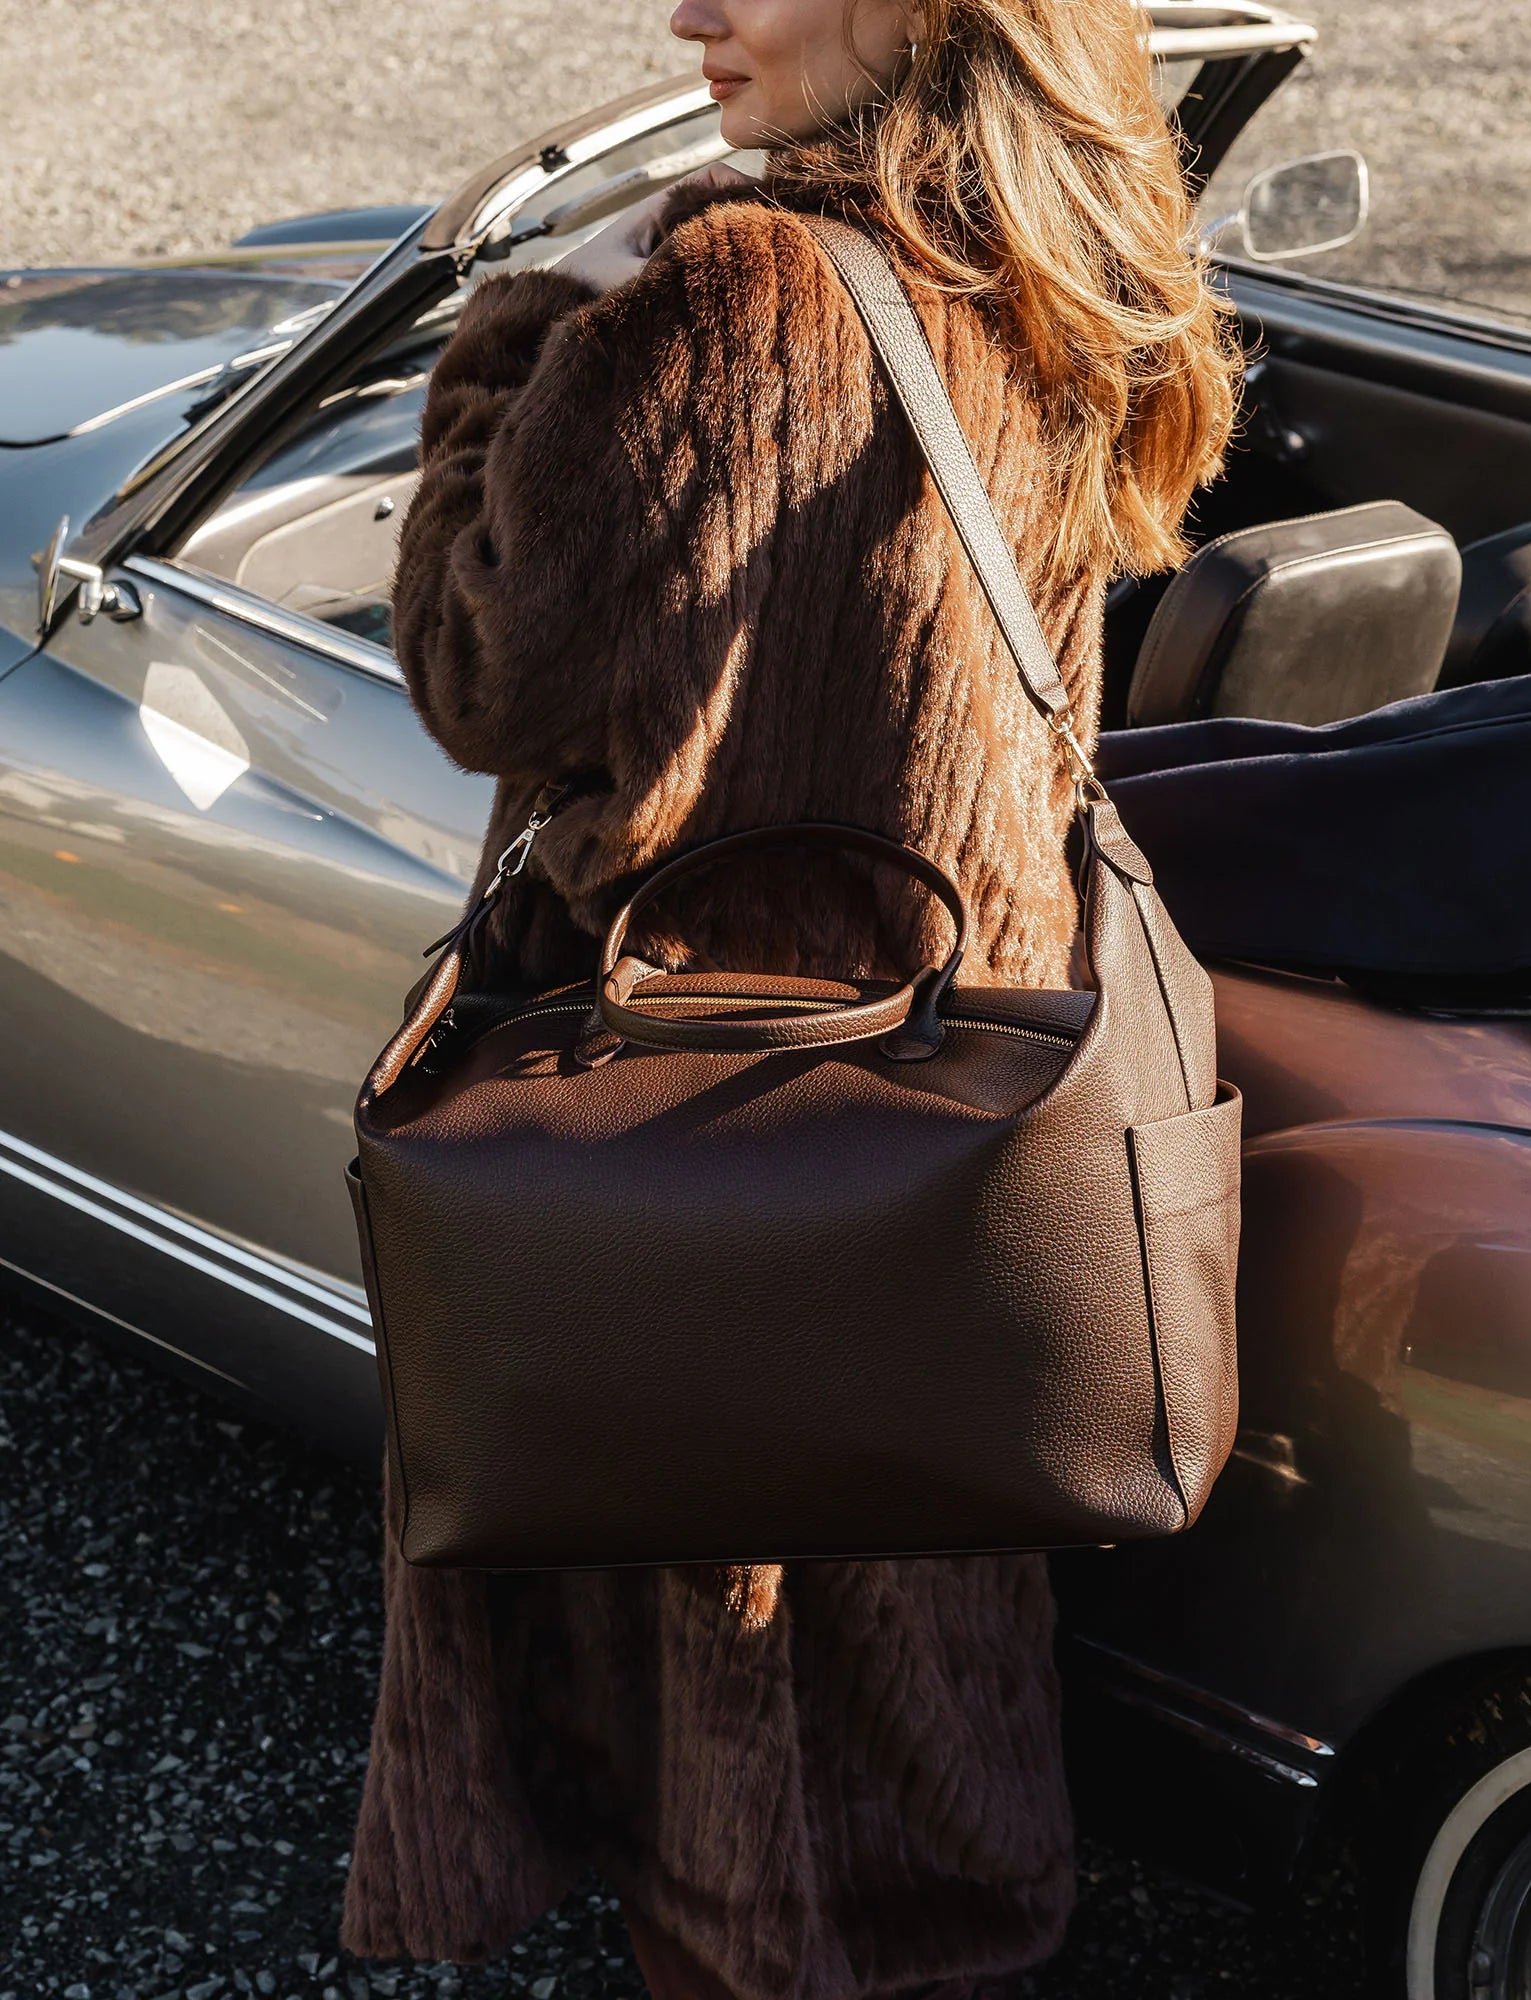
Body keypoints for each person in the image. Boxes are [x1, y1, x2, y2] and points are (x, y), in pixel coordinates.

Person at [342, 2, 1239, 1994]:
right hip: (965, 1107)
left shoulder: (731, 288)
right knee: (914, 1668)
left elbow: (476, 669)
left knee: (736, 1743)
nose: (687, 11)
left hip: (707, 1112)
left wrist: (521, 329)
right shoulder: (1064, 256)